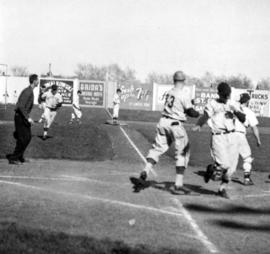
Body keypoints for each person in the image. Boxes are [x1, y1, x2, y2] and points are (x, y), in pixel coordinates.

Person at [138, 71, 200, 194]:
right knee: (183, 152)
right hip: (175, 124)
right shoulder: (184, 94)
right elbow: (190, 112)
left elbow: (177, 104)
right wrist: (198, 113)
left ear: (174, 80)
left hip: (163, 122)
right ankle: (178, 184)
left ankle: (146, 170)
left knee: (157, 149)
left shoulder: (170, 92)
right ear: (184, 81)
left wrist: (189, 105)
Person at [193, 82, 246, 199]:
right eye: (224, 94)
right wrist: (199, 124)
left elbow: (243, 118)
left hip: (232, 136)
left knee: (231, 169)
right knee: (224, 164)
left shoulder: (232, 104)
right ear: (219, 94)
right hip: (218, 136)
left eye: (228, 94)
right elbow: (205, 116)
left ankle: (222, 189)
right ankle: (211, 169)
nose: (226, 96)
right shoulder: (212, 104)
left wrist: (235, 110)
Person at [6, 74, 39, 164]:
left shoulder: (30, 91)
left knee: (27, 137)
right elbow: (20, 106)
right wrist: (28, 118)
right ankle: (13, 158)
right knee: (22, 138)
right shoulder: (27, 91)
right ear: (34, 81)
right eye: (37, 80)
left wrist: (27, 117)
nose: (38, 81)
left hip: (22, 117)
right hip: (20, 117)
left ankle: (19, 156)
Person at [233, 93, 261, 185]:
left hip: (228, 135)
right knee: (247, 158)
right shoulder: (249, 112)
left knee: (228, 157)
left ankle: (218, 173)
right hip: (239, 135)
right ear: (247, 101)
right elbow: (254, 127)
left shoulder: (232, 108)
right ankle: (247, 179)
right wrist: (258, 139)